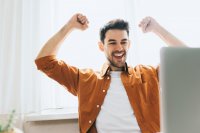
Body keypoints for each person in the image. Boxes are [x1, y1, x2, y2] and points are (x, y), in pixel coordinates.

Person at [35, 13, 186, 133]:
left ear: (129, 44)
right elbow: (44, 61)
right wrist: (69, 26)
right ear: (101, 46)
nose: (119, 48)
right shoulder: (85, 79)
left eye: (123, 42)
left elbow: (186, 59)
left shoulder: (148, 74)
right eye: (112, 42)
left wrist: (157, 29)